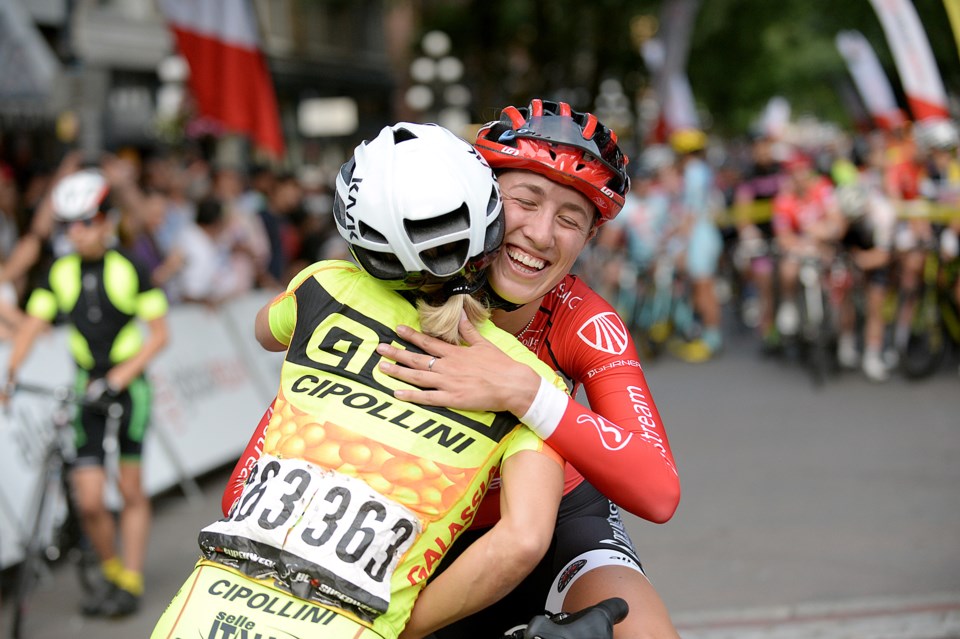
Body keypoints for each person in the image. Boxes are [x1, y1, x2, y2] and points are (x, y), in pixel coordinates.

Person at [153, 122, 567, 639]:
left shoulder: (322, 288)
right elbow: (524, 540)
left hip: (205, 611)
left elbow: (264, 330)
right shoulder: (530, 382)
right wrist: (408, 623)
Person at [374, 99, 682, 638]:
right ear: (483, 199)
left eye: (570, 219)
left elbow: (658, 492)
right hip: (410, 524)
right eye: (525, 201)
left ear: (588, 240)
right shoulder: (404, 283)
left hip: (557, 522)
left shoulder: (581, 319)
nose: (541, 235)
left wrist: (526, 391)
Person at [3, 168, 170, 617]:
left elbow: (159, 335)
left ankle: (131, 579)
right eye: (67, 225)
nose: (75, 233)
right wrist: (11, 370)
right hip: (84, 387)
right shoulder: (60, 272)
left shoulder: (130, 265)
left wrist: (118, 378)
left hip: (128, 386)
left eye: (84, 222)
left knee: (130, 487)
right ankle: (112, 571)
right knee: (91, 498)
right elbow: (34, 323)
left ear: (105, 220)